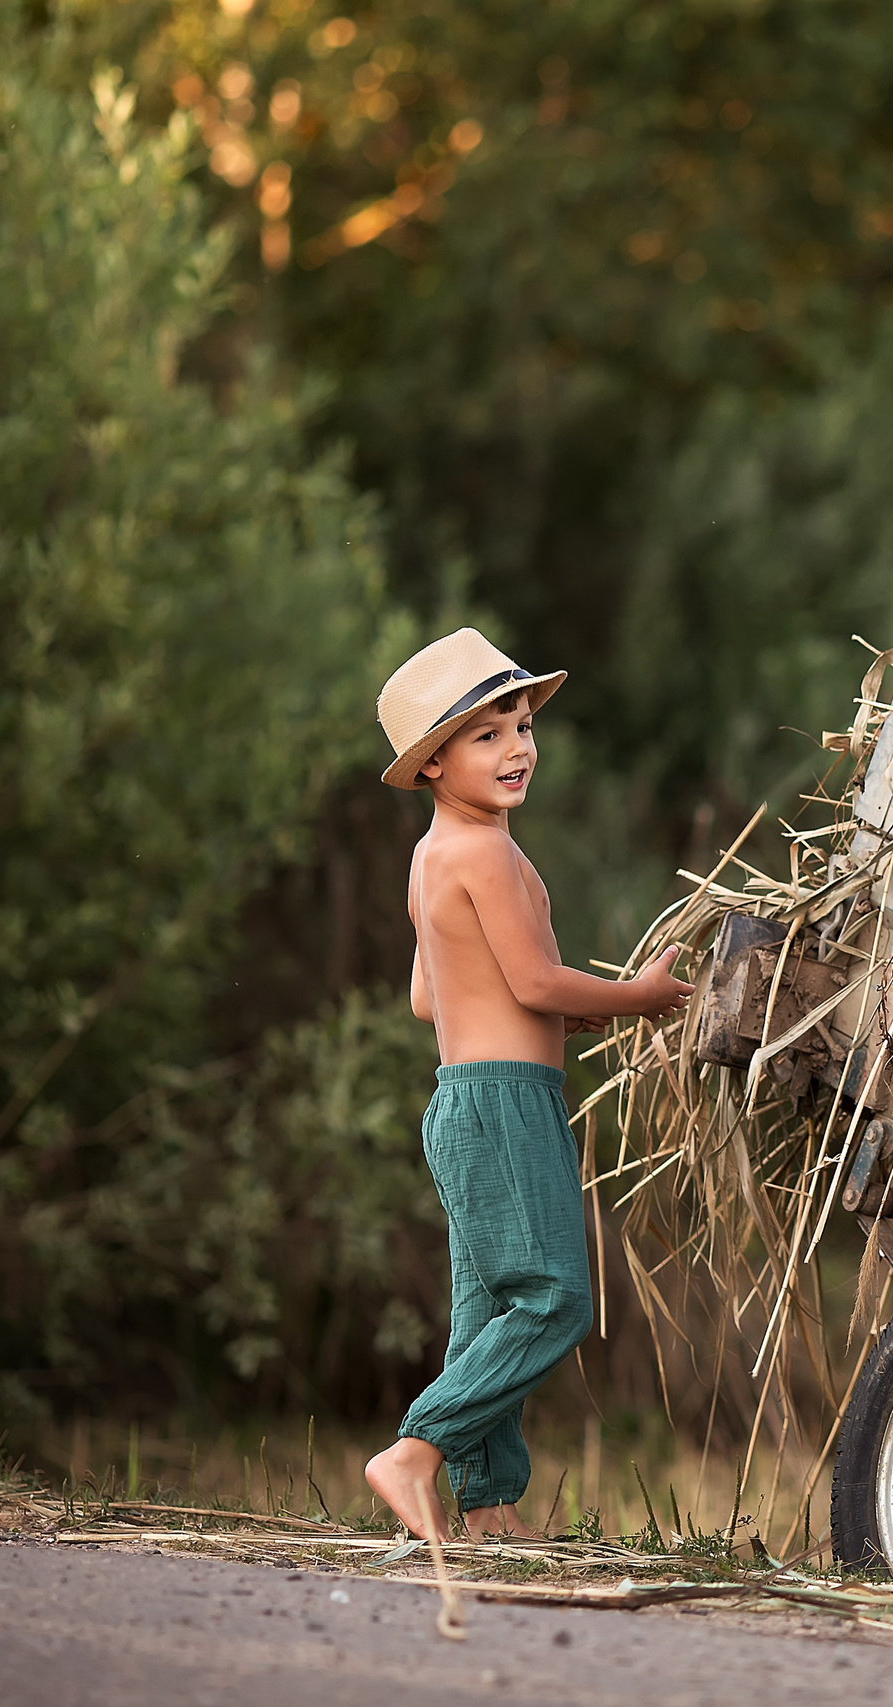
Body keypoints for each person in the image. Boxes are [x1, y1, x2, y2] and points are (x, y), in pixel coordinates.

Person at [362, 628, 692, 1541]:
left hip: (463, 1098)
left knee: (485, 1312)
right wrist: (635, 997)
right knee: (554, 1298)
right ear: (431, 763)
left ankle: (489, 1505)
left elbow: (432, 995)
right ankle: (417, 1450)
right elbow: (536, 981)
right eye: (486, 734)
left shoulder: (433, 856)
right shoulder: (493, 855)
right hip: (509, 1103)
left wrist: (551, 1015)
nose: (517, 748)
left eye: (521, 725)